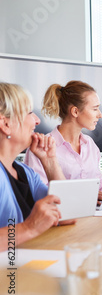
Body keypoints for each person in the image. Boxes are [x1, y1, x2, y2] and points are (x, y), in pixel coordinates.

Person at [0, 83, 73, 251]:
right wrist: (29, 227)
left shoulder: (24, 172)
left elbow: (67, 213)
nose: (37, 120)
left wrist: (50, 161)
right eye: (29, 113)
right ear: (5, 125)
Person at [24, 81, 102, 205]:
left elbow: (97, 182)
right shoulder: (42, 147)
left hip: (92, 215)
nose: (100, 115)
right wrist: (84, 196)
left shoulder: (90, 144)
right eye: (95, 109)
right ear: (75, 112)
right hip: (58, 219)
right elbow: (38, 192)